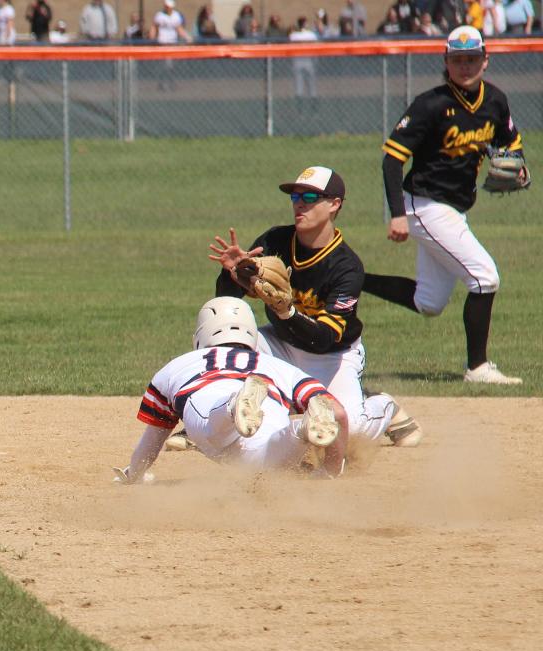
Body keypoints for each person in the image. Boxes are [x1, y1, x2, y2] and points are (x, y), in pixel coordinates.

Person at [209, 166, 420, 447]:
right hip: (279, 345)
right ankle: (213, 418)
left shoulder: (347, 267)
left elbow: (323, 339)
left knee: (347, 430)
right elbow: (228, 299)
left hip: (333, 357)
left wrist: (286, 311)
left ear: (335, 204)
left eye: (309, 196)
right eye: (295, 197)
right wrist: (232, 274)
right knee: (223, 330)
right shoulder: (275, 241)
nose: (299, 203)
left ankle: (382, 407)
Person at [370, 26, 526, 385]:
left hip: (454, 208)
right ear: (446, 62)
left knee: (429, 303)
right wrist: (397, 214)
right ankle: (478, 368)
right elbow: (392, 159)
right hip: (424, 205)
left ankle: (352, 279)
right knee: (485, 277)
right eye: (458, 60)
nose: (466, 66)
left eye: (472, 59)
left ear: (486, 60)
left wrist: (518, 165)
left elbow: (509, 144)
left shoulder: (495, 101)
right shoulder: (431, 105)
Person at [113, 297, 349, 484]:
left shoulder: (178, 365)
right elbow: (337, 413)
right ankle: (301, 428)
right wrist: (330, 471)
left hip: (208, 398)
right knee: (270, 459)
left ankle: (232, 406)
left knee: (213, 427)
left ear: (200, 336)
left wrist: (134, 474)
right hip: (267, 406)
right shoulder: (279, 366)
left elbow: (152, 442)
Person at [288, 17, 318, 102]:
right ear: (305, 24)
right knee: (310, 80)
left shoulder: (294, 35)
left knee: (299, 80)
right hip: (307, 59)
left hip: (298, 60)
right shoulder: (311, 35)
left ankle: (300, 97)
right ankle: (312, 97)